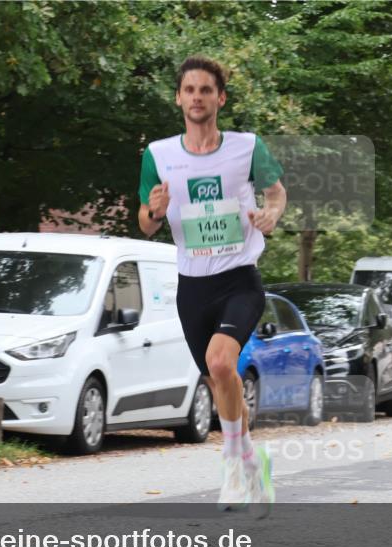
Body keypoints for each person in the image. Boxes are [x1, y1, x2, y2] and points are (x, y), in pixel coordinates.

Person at [137, 56, 287, 512]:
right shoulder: (159, 155)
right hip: (192, 287)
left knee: (222, 363)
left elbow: (277, 192)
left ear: (220, 98)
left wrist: (270, 214)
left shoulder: (247, 147)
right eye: (190, 90)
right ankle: (251, 459)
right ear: (179, 98)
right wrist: (156, 210)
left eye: (206, 90)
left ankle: (231, 469)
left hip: (239, 279)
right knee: (220, 380)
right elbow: (145, 223)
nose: (197, 97)